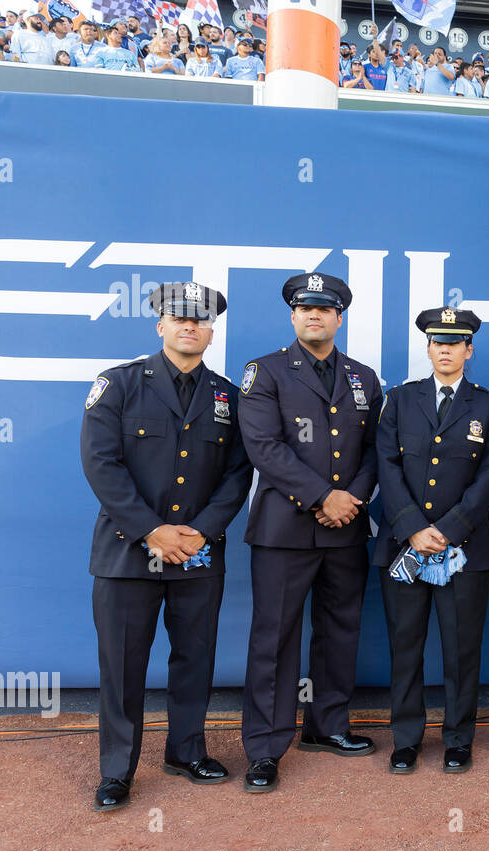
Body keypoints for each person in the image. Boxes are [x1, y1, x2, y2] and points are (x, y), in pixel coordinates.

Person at [79, 282, 252, 812]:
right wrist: (151, 530)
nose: (189, 327)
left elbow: (239, 472)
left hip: (198, 554)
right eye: (179, 319)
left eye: (200, 321)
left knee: (194, 659)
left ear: (211, 331)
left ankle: (185, 750)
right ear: (160, 325)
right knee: (123, 667)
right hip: (128, 553)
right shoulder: (120, 384)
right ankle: (116, 771)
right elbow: (100, 463)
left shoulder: (227, 396)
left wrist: (201, 530)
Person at [237, 273, 384, 793]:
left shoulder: (365, 378)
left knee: (340, 631)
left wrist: (351, 500)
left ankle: (329, 726)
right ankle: (265, 746)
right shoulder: (266, 372)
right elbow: (264, 446)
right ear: (292, 317)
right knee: (274, 639)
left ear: (340, 317)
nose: (314, 316)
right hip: (285, 529)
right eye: (304, 309)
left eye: (325, 309)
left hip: (346, 528)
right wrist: (325, 497)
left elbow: (374, 452)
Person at [374, 309, 489, 774]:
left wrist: (448, 530)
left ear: (469, 350)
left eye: (456, 342)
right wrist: (413, 527)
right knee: (405, 647)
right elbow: (386, 468)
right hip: (404, 548)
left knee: (461, 648)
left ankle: (458, 738)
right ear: (428, 349)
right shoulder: (400, 400)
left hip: (464, 550)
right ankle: (406, 739)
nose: (446, 349)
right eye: (437, 342)